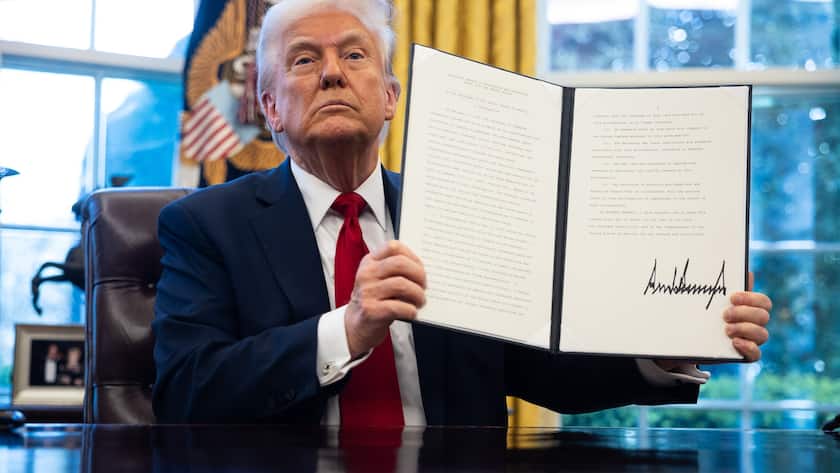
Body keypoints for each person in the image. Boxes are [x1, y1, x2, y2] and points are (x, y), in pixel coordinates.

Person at [152, 0, 772, 426]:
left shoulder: (465, 209)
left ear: (391, 97)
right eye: (305, 60)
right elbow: (185, 391)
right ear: (270, 107)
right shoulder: (205, 225)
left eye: (356, 56)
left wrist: (664, 348)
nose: (334, 73)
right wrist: (349, 327)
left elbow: (539, 368)